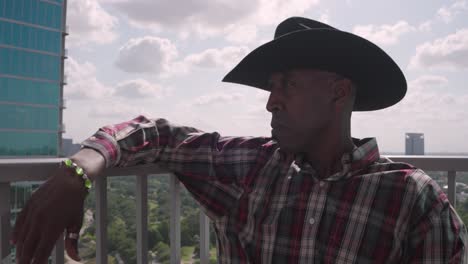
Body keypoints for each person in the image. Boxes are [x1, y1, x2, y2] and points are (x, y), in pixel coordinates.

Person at [12, 17, 467, 264]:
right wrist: (78, 169)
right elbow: (161, 136)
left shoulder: (410, 197)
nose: (270, 103)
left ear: (338, 91)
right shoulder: (250, 165)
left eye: (286, 84)